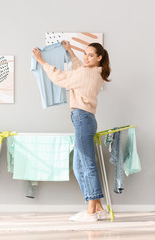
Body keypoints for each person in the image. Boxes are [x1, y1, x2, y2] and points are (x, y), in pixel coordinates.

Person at [32, 41, 111, 222]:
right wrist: (70, 51)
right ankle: (98, 207)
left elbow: (61, 77)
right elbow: (80, 70)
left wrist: (41, 61)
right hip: (86, 119)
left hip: (82, 119)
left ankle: (91, 210)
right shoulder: (95, 74)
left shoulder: (86, 73)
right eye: (85, 54)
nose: (86, 57)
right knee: (79, 166)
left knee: (88, 165)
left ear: (99, 58)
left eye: (90, 55)